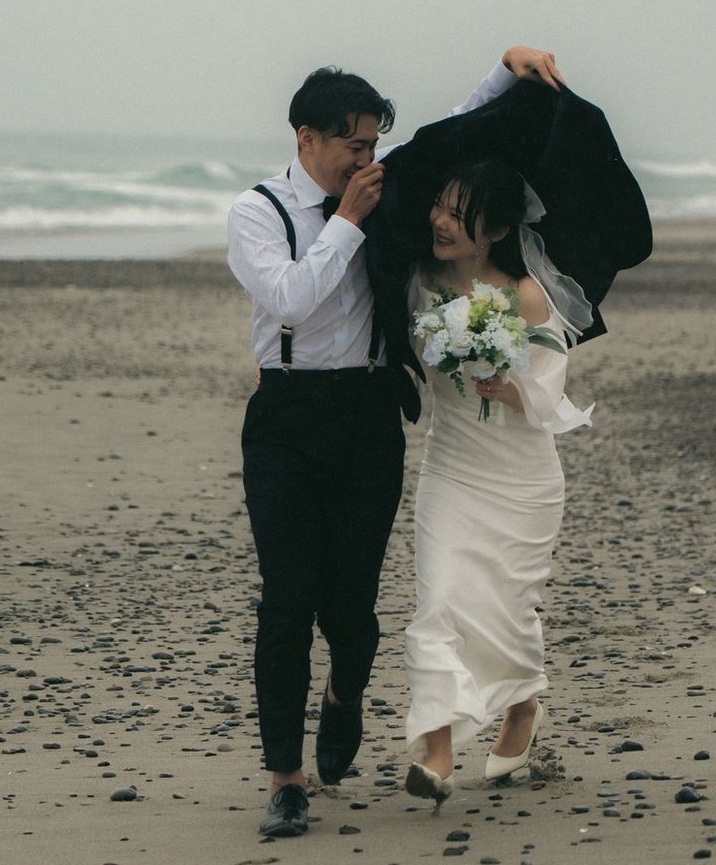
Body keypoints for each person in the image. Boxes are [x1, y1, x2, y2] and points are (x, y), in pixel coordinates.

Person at [227, 46, 565, 838]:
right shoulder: (258, 212)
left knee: (351, 607)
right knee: (286, 600)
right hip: (286, 416)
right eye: (355, 145)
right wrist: (348, 222)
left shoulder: (384, 190)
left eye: (375, 144)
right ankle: (285, 778)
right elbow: (291, 299)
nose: (368, 160)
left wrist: (507, 72)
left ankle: (345, 692)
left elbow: (450, 137)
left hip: (369, 416)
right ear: (307, 138)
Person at [402, 159, 594, 806]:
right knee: (440, 600)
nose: (440, 221)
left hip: (522, 479)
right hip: (450, 469)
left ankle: (522, 706)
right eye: (440, 206)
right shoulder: (417, 282)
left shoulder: (527, 296)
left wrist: (510, 388)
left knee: (507, 607)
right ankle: (436, 752)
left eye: (459, 214)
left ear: (499, 229)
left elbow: (551, 396)